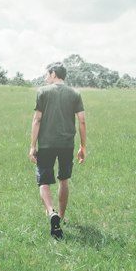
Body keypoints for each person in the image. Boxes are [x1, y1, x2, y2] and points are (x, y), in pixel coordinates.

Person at [29, 63, 86, 239]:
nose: (46, 77)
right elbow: (82, 121)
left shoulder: (43, 92)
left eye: (47, 73)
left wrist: (32, 146)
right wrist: (83, 146)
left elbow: (37, 120)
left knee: (44, 182)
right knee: (64, 180)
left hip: (46, 144)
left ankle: (51, 211)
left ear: (53, 74)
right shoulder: (75, 93)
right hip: (67, 144)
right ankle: (60, 217)